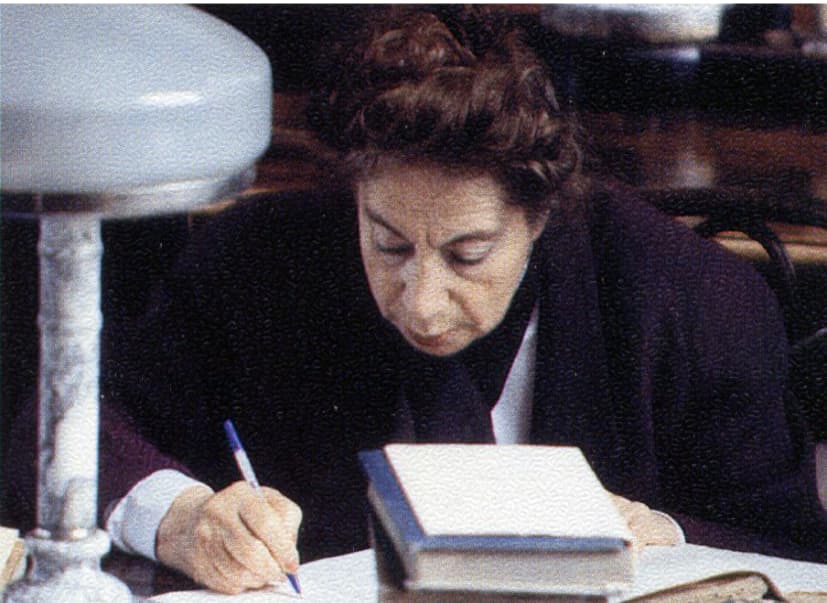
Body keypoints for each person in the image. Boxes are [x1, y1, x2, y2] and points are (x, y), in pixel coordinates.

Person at [5, 7, 827, 595]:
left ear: (541, 215)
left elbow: (787, 543)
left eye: (467, 254)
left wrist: (667, 534)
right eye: (389, 244)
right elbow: (70, 420)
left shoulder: (690, 299)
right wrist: (180, 515)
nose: (422, 303)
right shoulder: (261, 255)